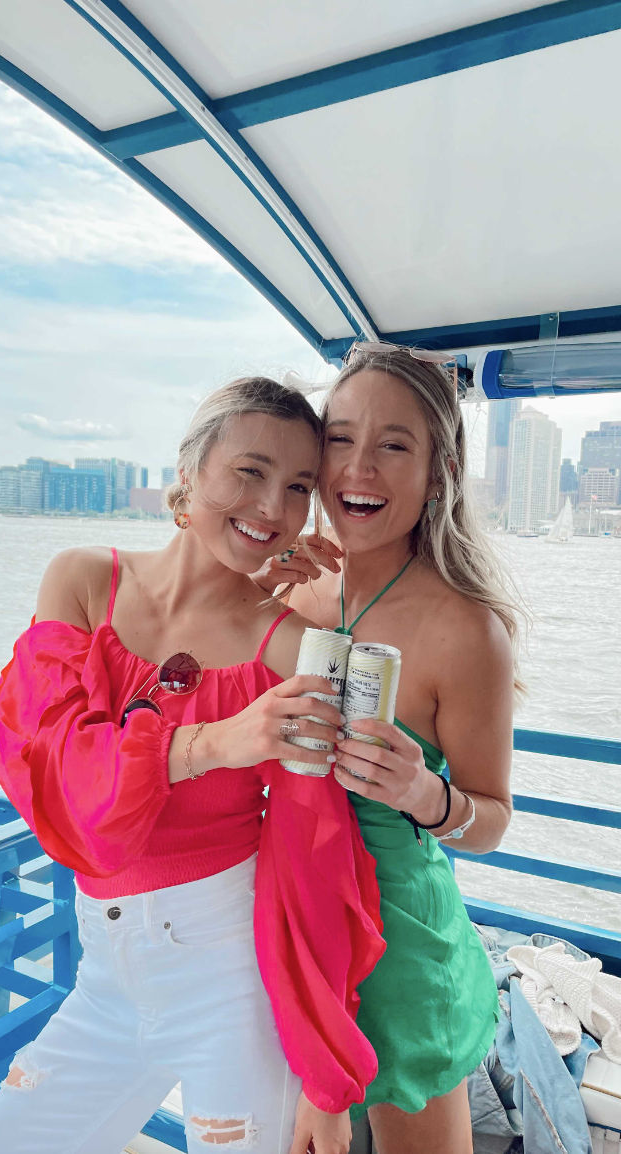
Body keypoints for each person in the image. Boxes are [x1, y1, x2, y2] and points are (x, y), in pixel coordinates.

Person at [0, 376, 385, 1154]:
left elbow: (313, 863)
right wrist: (209, 744)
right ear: (190, 472)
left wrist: (326, 1081)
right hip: (104, 977)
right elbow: (40, 765)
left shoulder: (289, 648)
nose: (273, 505)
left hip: (230, 984)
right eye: (250, 471)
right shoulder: (83, 580)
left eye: (299, 486)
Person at [256, 344, 518, 1154]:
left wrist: (425, 796)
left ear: (438, 471)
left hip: (398, 946)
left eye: (394, 445)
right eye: (340, 438)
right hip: (288, 921)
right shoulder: (289, 589)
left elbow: (493, 818)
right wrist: (251, 590)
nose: (358, 467)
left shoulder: (467, 630)